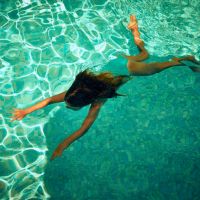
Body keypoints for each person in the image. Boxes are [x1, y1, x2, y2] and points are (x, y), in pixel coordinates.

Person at [11, 15, 199, 160]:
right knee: (144, 53)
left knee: (156, 67)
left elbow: (85, 127)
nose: (68, 104)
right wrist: (26, 111)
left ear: (88, 101)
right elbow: (50, 99)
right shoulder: (80, 89)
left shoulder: (97, 101)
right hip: (117, 62)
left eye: (71, 105)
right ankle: (135, 30)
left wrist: (63, 144)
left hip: (127, 68)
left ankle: (181, 61)